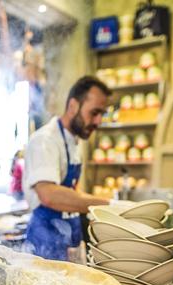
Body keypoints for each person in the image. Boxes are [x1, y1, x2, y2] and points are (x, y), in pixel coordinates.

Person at [23, 76, 112, 261]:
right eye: (94, 113)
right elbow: (49, 195)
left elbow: (72, 190)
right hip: (45, 243)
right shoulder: (45, 140)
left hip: (69, 237)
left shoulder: (73, 141)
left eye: (101, 114)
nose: (98, 122)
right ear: (73, 106)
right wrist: (111, 206)